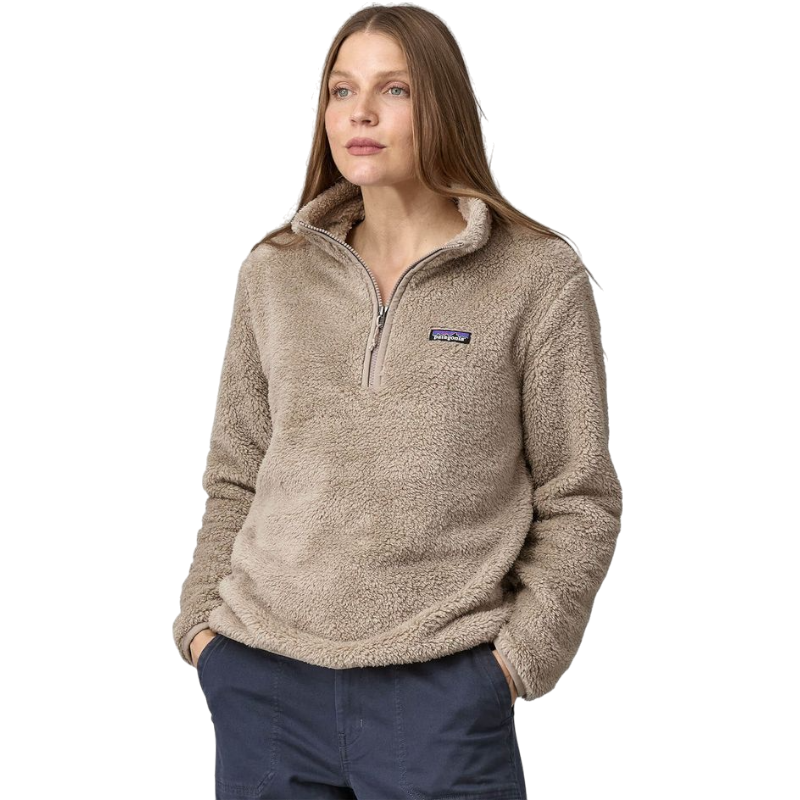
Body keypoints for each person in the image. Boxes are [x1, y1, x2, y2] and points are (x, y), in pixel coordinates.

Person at [173, 4, 622, 799]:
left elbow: (579, 495)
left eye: (395, 90)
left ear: (443, 104)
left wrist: (517, 663)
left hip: (441, 692)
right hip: (263, 680)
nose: (362, 113)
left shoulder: (538, 276)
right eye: (342, 91)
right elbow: (234, 472)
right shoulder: (272, 272)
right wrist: (201, 630)